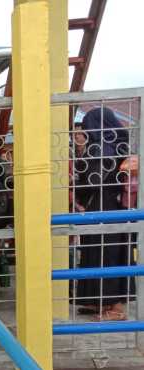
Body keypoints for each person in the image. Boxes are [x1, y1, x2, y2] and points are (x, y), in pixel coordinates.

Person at [74, 107, 133, 321]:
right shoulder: (118, 144)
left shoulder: (102, 147)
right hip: (109, 205)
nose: (85, 132)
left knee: (106, 254)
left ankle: (115, 308)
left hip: (105, 206)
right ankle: (99, 300)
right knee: (100, 252)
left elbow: (93, 179)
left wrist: (78, 184)